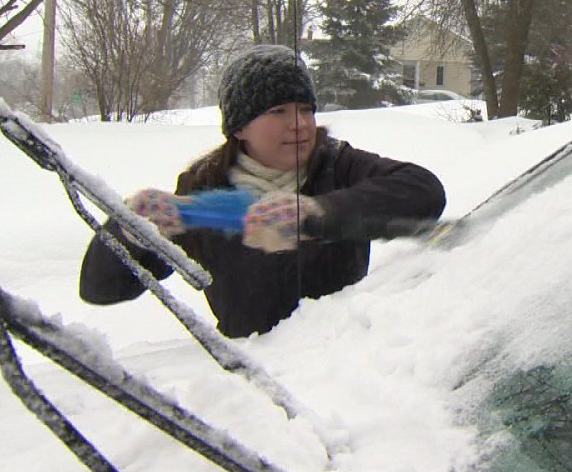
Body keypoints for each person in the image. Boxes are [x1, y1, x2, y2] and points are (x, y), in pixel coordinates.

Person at [79, 44, 446, 337]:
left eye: (306, 109)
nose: (299, 124)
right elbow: (101, 289)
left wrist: (317, 213)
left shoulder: (336, 165)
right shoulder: (202, 190)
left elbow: (423, 192)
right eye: (278, 111)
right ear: (239, 128)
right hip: (253, 384)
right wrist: (133, 232)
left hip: (341, 368)